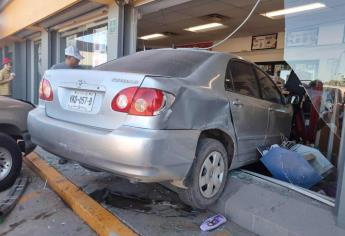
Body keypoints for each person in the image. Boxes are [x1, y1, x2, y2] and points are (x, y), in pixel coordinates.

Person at [51, 46, 84, 164]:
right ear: (69, 57)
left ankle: (77, 153)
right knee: (62, 131)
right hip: (61, 106)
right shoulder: (56, 69)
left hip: (77, 105)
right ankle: (63, 154)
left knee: (76, 130)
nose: (79, 61)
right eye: (77, 58)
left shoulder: (81, 70)